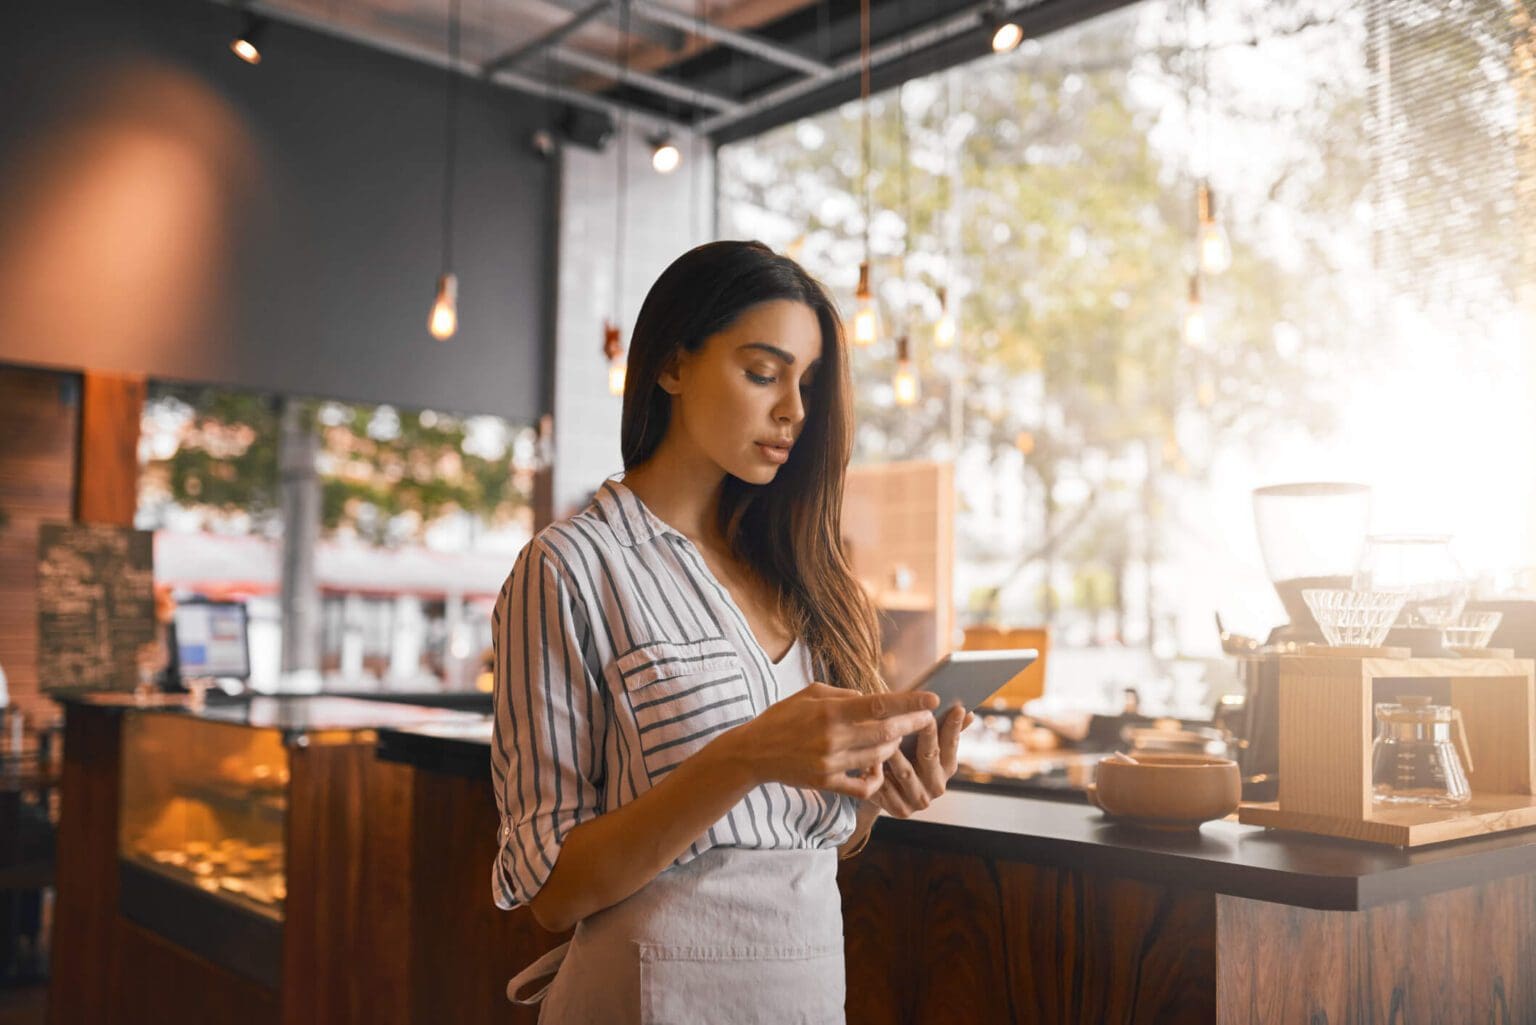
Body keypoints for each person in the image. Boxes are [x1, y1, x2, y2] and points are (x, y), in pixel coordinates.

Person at [492, 240, 973, 1023]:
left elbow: (815, 839)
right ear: (672, 365)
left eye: (807, 383)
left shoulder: (809, 578)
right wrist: (746, 755)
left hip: (806, 994)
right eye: (762, 371)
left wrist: (879, 792)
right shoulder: (569, 569)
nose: (794, 409)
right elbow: (554, 890)